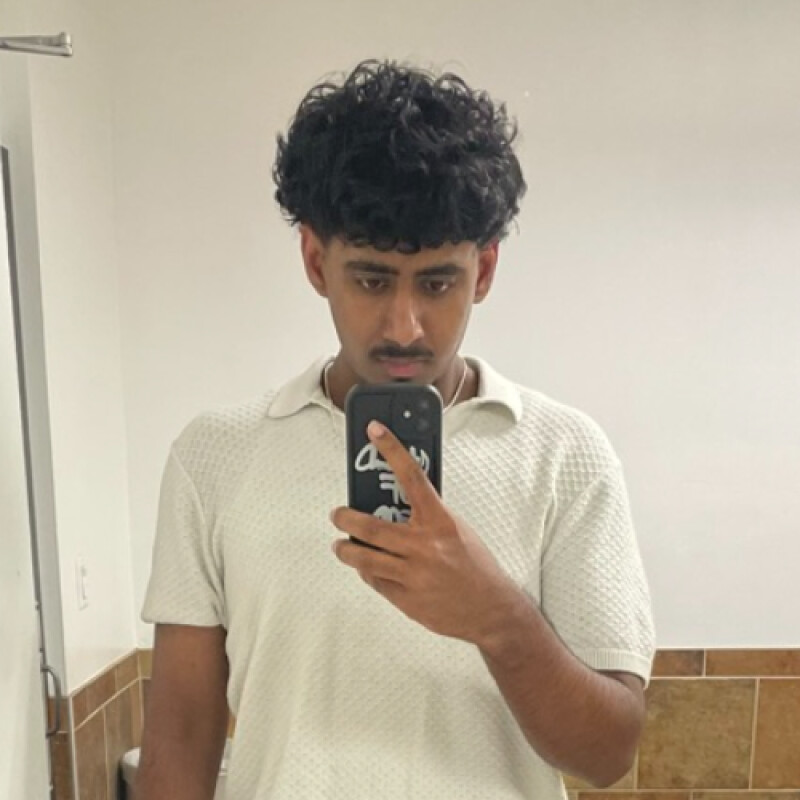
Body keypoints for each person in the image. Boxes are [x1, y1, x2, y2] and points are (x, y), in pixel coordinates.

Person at [136, 59, 655, 800]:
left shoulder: (565, 455)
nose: (405, 327)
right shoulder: (214, 456)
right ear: (316, 261)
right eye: (372, 280)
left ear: (484, 270)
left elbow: (608, 754)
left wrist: (499, 619)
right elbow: (181, 736)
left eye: (438, 282)